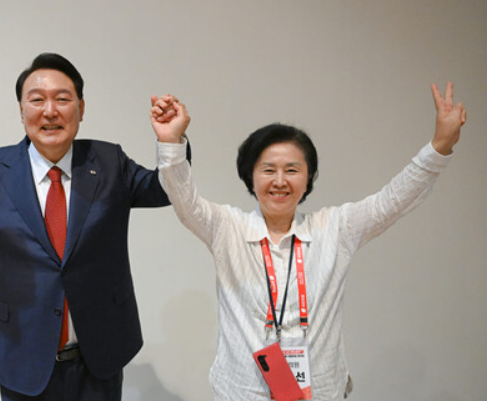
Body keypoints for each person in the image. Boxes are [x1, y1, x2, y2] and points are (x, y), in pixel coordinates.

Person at [149, 83, 466, 400]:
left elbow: (392, 201)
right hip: (242, 392)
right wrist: (171, 143)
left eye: (292, 170)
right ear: (251, 176)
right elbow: (183, 200)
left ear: (308, 178)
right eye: (268, 170)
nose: (280, 181)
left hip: (320, 392)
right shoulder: (227, 228)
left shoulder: (335, 228)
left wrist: (439, 145)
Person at [0, 53, 187, 401]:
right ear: (21, 111)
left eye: (62, 99)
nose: (50, 111)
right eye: (37, 100)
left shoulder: (109, 163)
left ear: (81, 108)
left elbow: (167, 191)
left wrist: (171, 142)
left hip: (99, 360)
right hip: (21, 359)